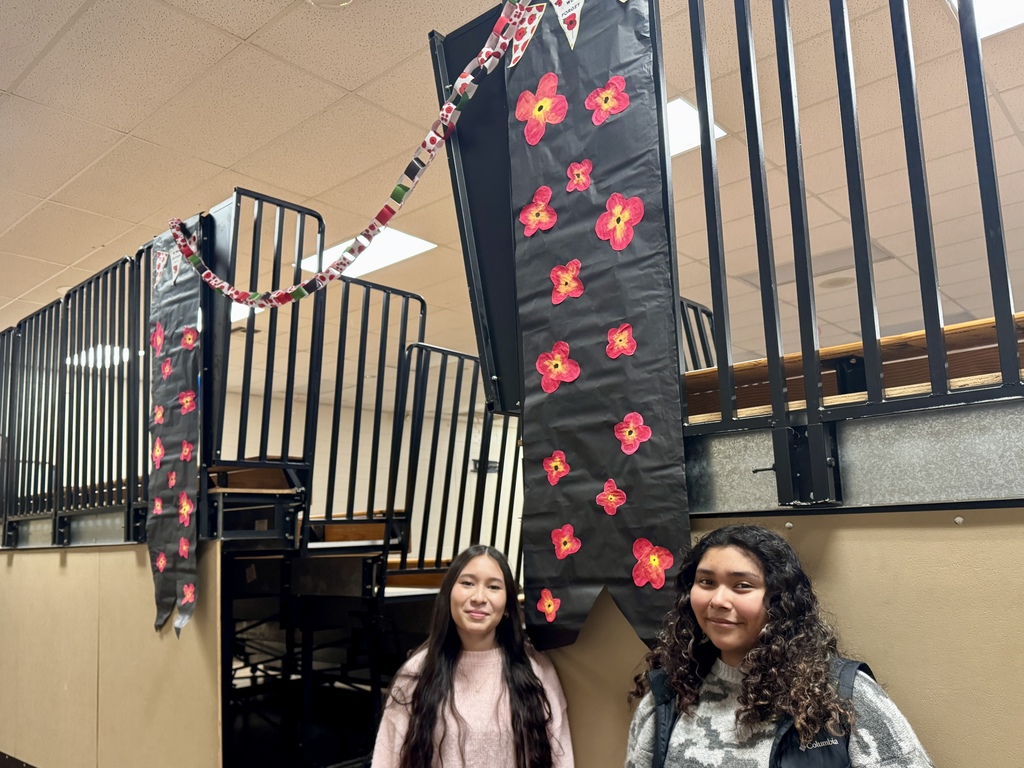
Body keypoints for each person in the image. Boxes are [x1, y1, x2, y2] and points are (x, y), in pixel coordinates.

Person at [625, 525, 933, 768]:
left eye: (741, 585)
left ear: (779, 599)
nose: (718, 601)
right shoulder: (667, 696)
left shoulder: (840, 695)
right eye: (706, 582)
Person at [372, 544, 574, 768]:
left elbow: (562, 759)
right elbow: (385, 760)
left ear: (507, 605)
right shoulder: (418, 671)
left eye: (493, 587)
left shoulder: (536, 670)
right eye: (467, 583)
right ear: (449, 595)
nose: (479, 597)